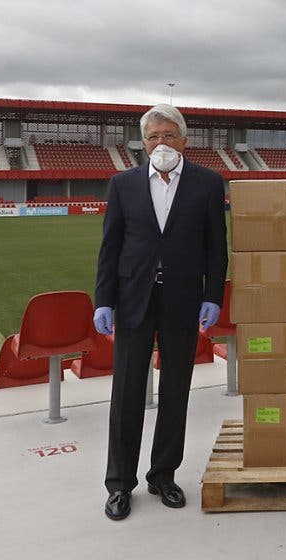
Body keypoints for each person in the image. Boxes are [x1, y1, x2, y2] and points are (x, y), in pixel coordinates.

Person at [92, 104, 228, 521]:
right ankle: (119, 484)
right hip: (133, 300)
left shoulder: (207, 183)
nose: (161, 144)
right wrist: (103, 299)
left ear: (184, 140)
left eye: (169, 135)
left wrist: (213, 295)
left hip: (184, 300)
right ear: (143, 143)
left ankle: (163, 475)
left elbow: (215, 247)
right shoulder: (123, 184)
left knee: (175, 390)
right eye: (153, 137)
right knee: (127, 393)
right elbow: (111, 246)